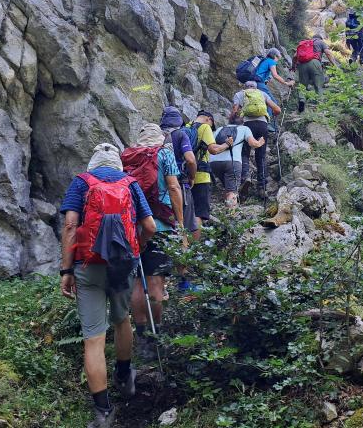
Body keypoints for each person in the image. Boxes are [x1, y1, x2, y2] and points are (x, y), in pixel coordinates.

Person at [59, 143, 156, 428]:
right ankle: (125, 376)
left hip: (88, 266)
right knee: (121, 319)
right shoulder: (131, 183)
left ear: (92, 166)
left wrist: (66, 269)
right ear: (117, 165)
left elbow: (69, 226)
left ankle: (102, 412)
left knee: (93, 338)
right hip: (123, 264)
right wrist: (136, 249)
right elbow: (149, 226)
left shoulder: (81, 183)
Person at [122, 124, 184, 361]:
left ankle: (143, 339)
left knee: (138, 285)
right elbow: (173, 186)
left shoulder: (127, 156)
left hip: (134, 228)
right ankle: (157, 335)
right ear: (159, 139)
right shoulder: (164, 153)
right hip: (160, 225)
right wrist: (179, 222)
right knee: (156, 282)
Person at [231, 81, 280, 199]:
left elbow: (234, 111)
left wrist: (234, 120)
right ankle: (261, 188)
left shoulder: (240, 94)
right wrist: (271, 116)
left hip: (247, 125)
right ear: (256, 87)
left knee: (245, 153)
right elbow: (277, 109)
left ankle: (245, 177)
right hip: (263, 125)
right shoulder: (262, 93)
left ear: (245, 87)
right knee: (261, 156)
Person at [188, 110, 233, 238]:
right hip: (200, 176)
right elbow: (214, 149)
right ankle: (194, 250)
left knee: (186, 212)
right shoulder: (205, 127)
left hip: (184, 175)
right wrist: (227, 144)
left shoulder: (185, 127)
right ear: (208, 119)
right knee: (199, 213)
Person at [210, 118, 265, 207]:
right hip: (232, 162)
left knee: (228, 187)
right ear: (242, 123)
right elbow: (252, 143)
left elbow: (211, 145)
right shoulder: (244, 129)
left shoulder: (220, 129)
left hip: (214, 162)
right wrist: (260, 142)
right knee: (232, 191)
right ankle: (231, 213)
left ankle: (226, 207)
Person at [292, 34, 337, 113]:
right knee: (318, 85)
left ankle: (302, 101)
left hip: (302, 65)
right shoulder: (321, 42)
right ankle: (320, 105)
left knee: (302, 85)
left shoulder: (305, 43)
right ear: (320, 38)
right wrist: (334, 65)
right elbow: (328, 53)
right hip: (315, 63)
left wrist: (293, 67)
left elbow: (295, 56)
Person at [253, 48, 295, 130]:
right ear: (276, 56)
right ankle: (266, 123)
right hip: (258, 83)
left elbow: (264, 74)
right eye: (278, 58)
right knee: (272, 102)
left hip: (254, 83)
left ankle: (262, 121)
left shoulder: (265, 60)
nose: (278, 60)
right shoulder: (271, 61)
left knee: (265, 102)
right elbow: (275, 75)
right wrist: (286, 83)